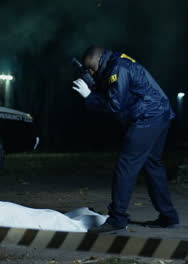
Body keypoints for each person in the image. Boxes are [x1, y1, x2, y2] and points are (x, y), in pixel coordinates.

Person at [72, 46, 179, 233]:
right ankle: (168, 216)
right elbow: (116, 92)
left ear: (99, 59)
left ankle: (117, 219)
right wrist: (95, 84)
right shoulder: (113, 63)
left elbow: (114, 105)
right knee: (152, 165)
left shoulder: (118, 69)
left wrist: (89, 96)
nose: (90, 72)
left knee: (125, 165)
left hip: (147, 118)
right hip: (160, 113)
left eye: (91, 68)